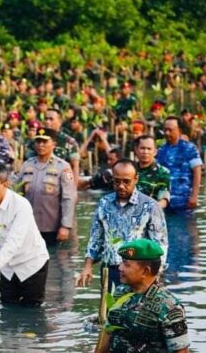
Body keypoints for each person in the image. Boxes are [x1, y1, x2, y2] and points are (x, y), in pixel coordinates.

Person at [68, 239, 189, 353]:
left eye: (126, 264)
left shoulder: (168, 306)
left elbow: (181, 352)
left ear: (145, 271)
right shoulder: (120, 293)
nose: (120, 268)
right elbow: (108, 333)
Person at [76, 159, 168, 289]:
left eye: (126, 181)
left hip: (138, 273)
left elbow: (160, 244)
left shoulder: (150, 206)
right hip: (110, 270)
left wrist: (156, 274)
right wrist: (87, 267)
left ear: (136, 179)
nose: (121, 186)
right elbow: (96, 239)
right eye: (117, 181)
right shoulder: (104, 203)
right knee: (109, 302)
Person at [0, 164, 50, 307]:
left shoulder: (21, 205)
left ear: (5, 184)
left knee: (32, 310)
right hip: (7, 266)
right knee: (7, 305)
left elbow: (14, 242)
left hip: (31, 263)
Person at [13, 128, 77, 244]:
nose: (40, 145)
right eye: (38, 141)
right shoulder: (27, 164)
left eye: (45, 141)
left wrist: (65, 226)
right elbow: (17, 194)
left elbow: (69, 198)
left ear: (54, 144)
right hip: (28, 225)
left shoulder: (63, 167)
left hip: (52, 227)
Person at [155, 117, 201, 211]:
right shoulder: (160, 150)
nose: (167, 133)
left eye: (170, 130)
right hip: (164, 202)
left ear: (179, 131)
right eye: (165, 130)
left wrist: (194, 196)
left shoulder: (189, 148)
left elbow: (197, 171)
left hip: (185, 200)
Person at [42, 108, 81, 179]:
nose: (47, 122)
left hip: (61, 180)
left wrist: (73, 185)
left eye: (51, 119)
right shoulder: (37, 140)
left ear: (60, 122)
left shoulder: (69, 141)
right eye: (46, 119)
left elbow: (75, 167)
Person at [134, 135, 171, 209]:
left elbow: (164, 200)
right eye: (142, 148)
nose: (145, 152)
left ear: (155, 152)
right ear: (136, 150)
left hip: (153, 212)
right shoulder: (130, 170)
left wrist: (149, 209)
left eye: (149, 149)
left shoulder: (163, 172)